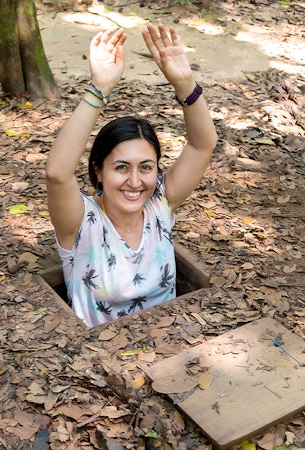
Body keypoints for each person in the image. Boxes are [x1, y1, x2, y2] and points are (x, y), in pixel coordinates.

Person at [45, 25, 217, 327]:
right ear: (98, 169)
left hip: (171, 349)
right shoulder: (81, 223)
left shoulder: (159, 205)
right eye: (121, 167)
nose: (135, 182)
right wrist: (99, 90)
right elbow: (57, 174)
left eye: (146, 167)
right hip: (100, 365)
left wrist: (186, 84)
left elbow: (203, 144)